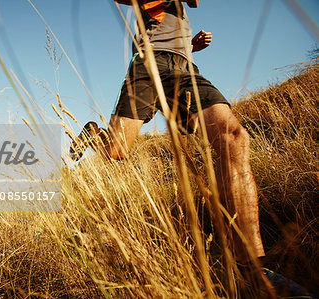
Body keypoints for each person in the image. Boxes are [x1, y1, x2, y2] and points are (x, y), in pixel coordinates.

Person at [69, 1, 314, 297]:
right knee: (116, 152)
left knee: (234, 138)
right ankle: (95, 135)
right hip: (147, 67)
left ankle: (253, 273)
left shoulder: (182, 9)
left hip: (186, 69)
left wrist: (190, 45)